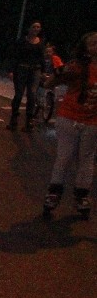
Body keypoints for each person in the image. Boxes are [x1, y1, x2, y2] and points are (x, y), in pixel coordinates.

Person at [42, 32, 97, 220]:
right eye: (93, 43)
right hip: (69, 117)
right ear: (85, 48)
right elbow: (49, 83)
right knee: (64, 156)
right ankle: (54, 193)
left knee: (87, 159)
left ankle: (81, 196)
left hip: (92, 121)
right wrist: (60, 73)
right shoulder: (77, 66)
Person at [8, 20, 46, 131]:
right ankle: (14, 119)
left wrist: (43, 71)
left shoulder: (41, 42)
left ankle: (29, 121)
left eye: (38, 27)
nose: (36, 29)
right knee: (19, 94)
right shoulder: (21, 41)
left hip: (35, 70)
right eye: (34, 27)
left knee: (32, 94)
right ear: (29, 28)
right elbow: (14, 56)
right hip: (22, 69)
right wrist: (11, 70)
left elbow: (42, 58)